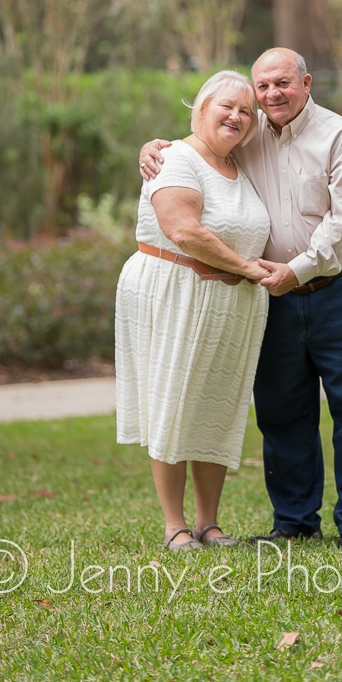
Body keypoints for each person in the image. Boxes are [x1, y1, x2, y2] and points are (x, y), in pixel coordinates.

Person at [139, 48, 342, 549]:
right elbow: (200, 148)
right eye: (263, 87)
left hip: (340, 287)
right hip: (271, 296)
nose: (272, 95)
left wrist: (296, 271)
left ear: (307, 82)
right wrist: (155, 147)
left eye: (282, 84)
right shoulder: (246, 137)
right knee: (281, 409)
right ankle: (294, 521)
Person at [117, 70, 270, 552]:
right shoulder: (176, 159)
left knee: (216, 408)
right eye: (226, 106)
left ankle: (209, 523)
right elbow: (184, 231)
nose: (236, 116)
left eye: (246, 111)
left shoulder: (239, 164)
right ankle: (174, 527)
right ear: (200, 108)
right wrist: (248, 266)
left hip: (228, 306)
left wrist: (243, 275)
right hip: (175, 295)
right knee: (174, 403)